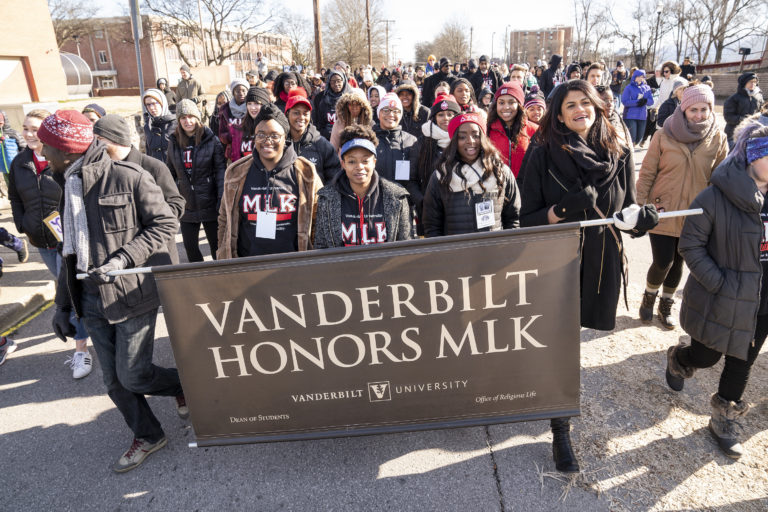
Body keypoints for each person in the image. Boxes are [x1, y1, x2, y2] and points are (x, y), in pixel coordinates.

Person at [520, 80, 658, 473]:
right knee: (561, 347)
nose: (580, 109)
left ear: (598, 106)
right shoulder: (542, 152)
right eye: (570, 105)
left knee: (572, 342)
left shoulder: (618, 148)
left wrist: (641, 222)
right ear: (559, 114)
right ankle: (560, 429)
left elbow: (626, 210)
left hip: (599, 261)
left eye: (586, 102)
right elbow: (526, 221)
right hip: (556, 262)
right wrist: (563, 210)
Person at [41, 110, 184, 473]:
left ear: (66, 151)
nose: (42, 152)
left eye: (47, 146)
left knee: (134, 375)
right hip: (90, 298)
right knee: (114, 382)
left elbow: (165, 222)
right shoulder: (69, 185)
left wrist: (122, 259)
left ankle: (185, 384)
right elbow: (68, 251)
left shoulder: (129, 175)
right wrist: (62, 306)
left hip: (131, 294)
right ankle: (149, 435)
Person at [664, 118, 768, 459]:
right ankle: (680, 359)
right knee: (706, 357)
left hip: (762, 301)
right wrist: (718, 283)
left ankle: (723, 420)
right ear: (753, 156)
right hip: (722, 296)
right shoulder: (713, 197)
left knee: (742, 362)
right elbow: (691, 245)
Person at [636, 84, 728, 328]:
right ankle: (649, 296)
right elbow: (647, 172)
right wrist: (641, 205)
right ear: (683, 109)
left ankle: (666, 304)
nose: (699, 115)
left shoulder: (718, 137)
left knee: (680, 262)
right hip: (663, 209)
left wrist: (716, 209)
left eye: (704, 109)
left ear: (711, 109)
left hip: (695, 213)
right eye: (693, 109)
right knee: (663, 261)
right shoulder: (663, 135)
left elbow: (720, 177)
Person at [8, 108, 91, 378]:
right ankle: (87, 328)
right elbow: (15, 197)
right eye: (26, 128)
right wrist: (22, 224)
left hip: (69, 241)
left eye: (35, 129)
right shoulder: (19, 162)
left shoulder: (63, 160)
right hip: (41, 241)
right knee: (67, 289)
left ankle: (81, 350)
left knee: (71, 292)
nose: (30, 134)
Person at [217, 104, 321, 259]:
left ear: (285, 137)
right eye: (261, 134)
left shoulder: (305, 172)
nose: (267, 141)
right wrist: (222, 253)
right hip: (247, 263)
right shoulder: (236, 172)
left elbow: (318, 219)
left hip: (293, 264)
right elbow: (224, 219)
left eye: (274, 135)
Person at [422, 111, 521, 237]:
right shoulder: (441, 176)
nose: (470, 141)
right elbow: (431, 226)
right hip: (456, 249)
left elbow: (513, 219)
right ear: (454, 141)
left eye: (476, 135)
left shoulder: (501, 172)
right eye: (462, 137)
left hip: (495, 248)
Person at [315, 124, 413, 248]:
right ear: (343, 164)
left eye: (365, 161)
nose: (359, 167)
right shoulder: (327, 199)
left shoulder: (396, 197)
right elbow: (321, 246)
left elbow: (406, 246)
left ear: (374, 162)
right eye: (352, 161)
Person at [166, 99, 225, 263]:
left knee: (216, 247)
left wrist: (221, 198)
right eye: (183, 118)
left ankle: (220, 275)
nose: (188, 121)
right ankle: (200, 276)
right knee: (190, 247)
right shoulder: (173, 142)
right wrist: (171, 199)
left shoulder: (211, 140)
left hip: (210, 202)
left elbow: (220, 172)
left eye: (191, 116)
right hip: (187, 204)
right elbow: (169, 173)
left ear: (198, 118)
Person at [410, 94, 461, 232]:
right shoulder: (422, 143)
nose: (446, 118)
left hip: (460, 210)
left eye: (450, 114)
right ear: (434, 118)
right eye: (441, 115)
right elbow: (412, 180)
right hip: (429, 212)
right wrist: (423, 201)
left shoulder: (463, 140)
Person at [285, 88, 341, 184]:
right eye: (296, 113)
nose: (301, 117)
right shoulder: (280, 143)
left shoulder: (321, 144)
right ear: (287, 114)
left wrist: (322, 193)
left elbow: (334, 177)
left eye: (305, 113)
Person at [487, 82, 538, 178]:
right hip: (497, 184)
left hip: (525, 185)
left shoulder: (535, 130)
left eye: (511, 102)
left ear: (519, 105)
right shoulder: (487, 130)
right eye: (501, 103)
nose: (506, 107)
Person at [724, 72, 763, 148]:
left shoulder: (759, 97)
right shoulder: (733, 99)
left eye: (755, 82)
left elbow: (761, 113)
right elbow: (728, 117)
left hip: (753, 133)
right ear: (744, 83)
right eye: (750, 81)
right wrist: (745, 120)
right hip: (733, 134)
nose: (753, 84)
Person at [232, 86, 271, 163]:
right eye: (249, 104)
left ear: (264, 104)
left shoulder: (271, 127)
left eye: (256, 103)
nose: (252, 108)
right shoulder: (242, 126)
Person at [312, 69, 351, 141]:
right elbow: (319, 122)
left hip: (346, 139)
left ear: (344, 81)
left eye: (339, 81)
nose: (336, 84)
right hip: (326, 139)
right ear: (329, 83)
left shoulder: (351, 98)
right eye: (333, 81)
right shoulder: (322, 99)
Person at [217, 78, 250, 162]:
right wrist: (233, 135)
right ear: (233, 93)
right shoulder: (225, 109)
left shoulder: (252, 107)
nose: (241, 93)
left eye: (244, 91)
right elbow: (222, 134)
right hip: (232, 153)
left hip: (250, 151)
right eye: (238, 91)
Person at [621, 69, 654, 147]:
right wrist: (637, 102)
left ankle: (631, 148)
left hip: (642, 116)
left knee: (639, 138)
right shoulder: (629, 87)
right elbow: (624, 101)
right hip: (630, 116)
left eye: (642, 77)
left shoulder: (647, 88)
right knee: (632, 138)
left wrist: (645, 101)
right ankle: (630, 151)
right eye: (638, 76)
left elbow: (651, 101)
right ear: (634, 77)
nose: (640, 78)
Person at [142, 88, 176, 162]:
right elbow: (149, 153)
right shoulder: (148, 126)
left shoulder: (176, 124)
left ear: (162, 103)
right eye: (148, 105)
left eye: (154, 103)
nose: (151, 108)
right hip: (155, 168)